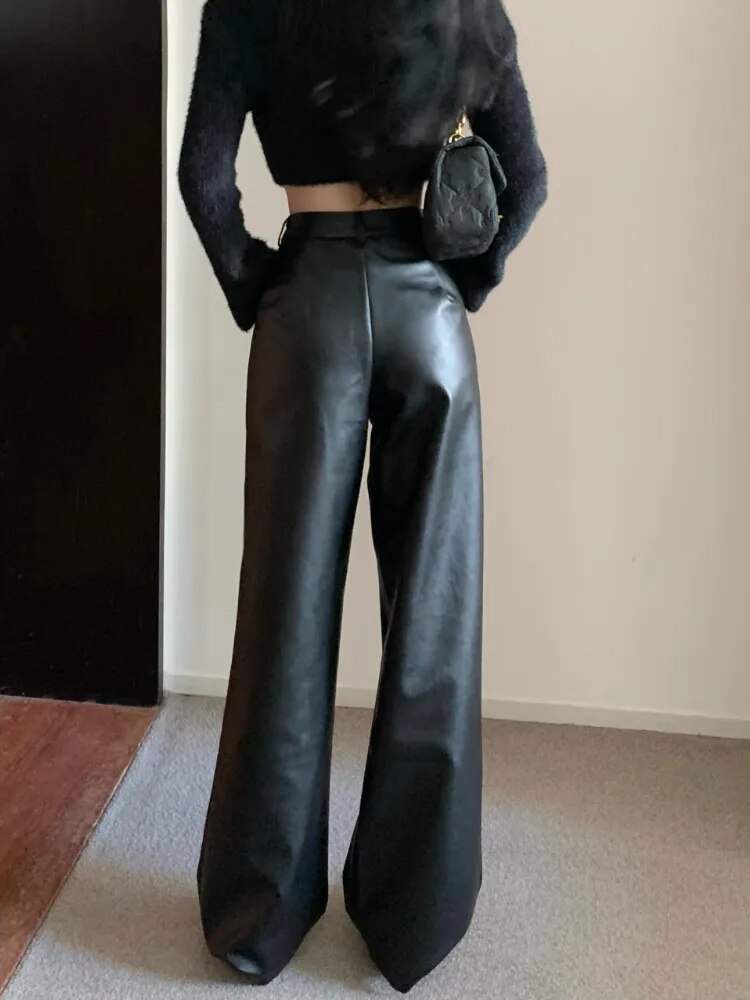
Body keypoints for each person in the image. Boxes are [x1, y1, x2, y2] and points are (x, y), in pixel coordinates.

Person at [178, 0, 547, 991]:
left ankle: (258, 916)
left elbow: (203, 179)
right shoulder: (467, 5)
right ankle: (413, 918)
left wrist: (258, 283)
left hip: (310, 309)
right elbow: (529, 180)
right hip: (428, 312)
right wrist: (465, 284)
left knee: (284, 610)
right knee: (433, 617)